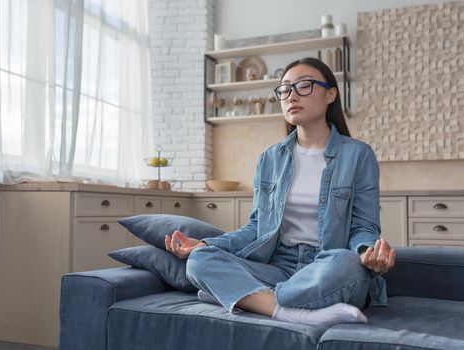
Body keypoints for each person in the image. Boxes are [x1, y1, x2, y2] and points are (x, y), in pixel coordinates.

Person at [165, 57, 396, 327]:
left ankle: (243, 296)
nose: (291, 96)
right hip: (278, 266)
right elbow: (256, 228)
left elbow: (364, 226)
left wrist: (369, 252)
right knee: (199, 261)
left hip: (326, 265)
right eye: (285, 89)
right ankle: (289, 311)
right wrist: (205, 244)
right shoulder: (270, 158)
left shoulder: (359, 155)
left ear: (331, 94)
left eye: (304, 86)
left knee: (347, 264)